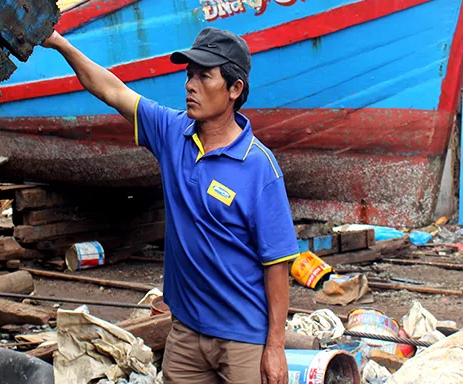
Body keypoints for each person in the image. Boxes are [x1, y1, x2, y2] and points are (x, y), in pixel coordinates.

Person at [42, 26, 300, 384]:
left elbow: (276, 262)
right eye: (189, 75)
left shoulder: (259, 168)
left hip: (243, 339)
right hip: (185, 334)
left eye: (204, 76)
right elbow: (111, 90)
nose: (190, 85)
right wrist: (58, 43)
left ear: (234, 89)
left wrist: (275, 346)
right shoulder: (172, 133)